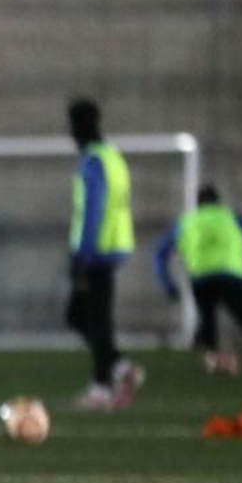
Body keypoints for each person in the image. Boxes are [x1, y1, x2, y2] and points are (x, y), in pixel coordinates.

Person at [65, 97, 145, 410]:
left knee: (94, 320)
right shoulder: (112, 157)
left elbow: (93, 211)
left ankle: (101, 387)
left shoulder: (93, 161)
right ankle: (121, 369)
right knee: (82, 316)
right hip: (114, 247)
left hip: (97, 252)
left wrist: (82, 256)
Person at [154, 185, 242, 375]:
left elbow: (160, 253)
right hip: (232, 274)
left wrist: (168, 283)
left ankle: (211, 361)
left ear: (198, 203)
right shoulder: (231, 217)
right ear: (218, 201)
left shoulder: (187, 221)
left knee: (208, 319)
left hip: (201, 277)